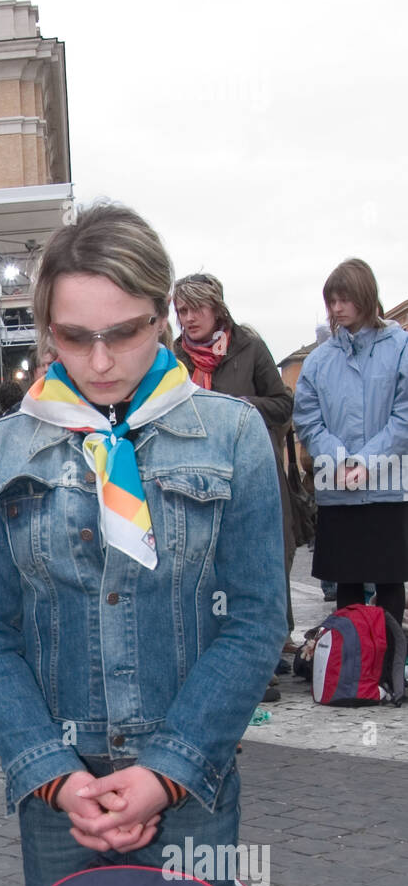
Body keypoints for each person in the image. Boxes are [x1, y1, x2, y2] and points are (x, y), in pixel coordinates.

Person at [0, 202, 286, 886]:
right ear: (46, 329)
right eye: (75, 338)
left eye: (124, 333)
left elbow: (257, 620)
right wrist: (53, 775)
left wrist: (166, 772)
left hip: (194, 781)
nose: (100, 362)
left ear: (162, 316)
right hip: (60, 797)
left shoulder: (234, 437)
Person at [173, 272, 296, 697]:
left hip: (252, 472)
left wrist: (240, 407)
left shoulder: (249, 346)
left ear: (216, 308)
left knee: (261, 565)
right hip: (197, 478)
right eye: (181, 311)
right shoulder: (174, 357)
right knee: (211, 571)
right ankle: (223, 666)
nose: (187, 318)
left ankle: (263, 662)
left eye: (194, 309)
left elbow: (284, 404)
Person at [293, 258, 408, 630]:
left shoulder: (401, 347)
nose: (337, 309)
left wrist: (366, 462)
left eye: (344, 299)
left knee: (390, 581)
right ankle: (352, 664)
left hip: (388, 487)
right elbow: (307, 419)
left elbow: (404, 415)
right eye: (332, 301)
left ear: (365, 296)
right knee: (347, 583)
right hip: (337, 488)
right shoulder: (319, 360)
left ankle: (390, 665)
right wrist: (340, 462)